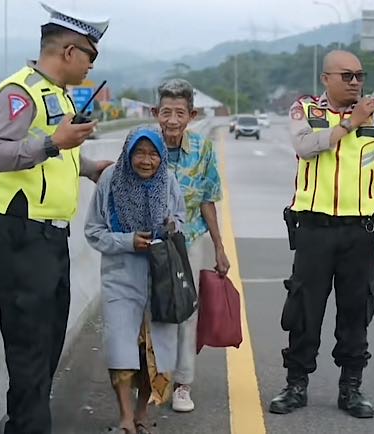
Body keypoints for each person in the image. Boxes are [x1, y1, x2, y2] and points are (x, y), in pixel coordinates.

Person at [0, 4, 112, 433]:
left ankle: (23, 423)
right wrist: (53, 143)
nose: (92, 65)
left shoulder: (57, 95)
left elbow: (56, 156)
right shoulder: (19, 91)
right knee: (29, 345)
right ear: (69, 51)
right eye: (90, 56)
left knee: (48, 341)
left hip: (51, 235)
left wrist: (93, 168)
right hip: (21, 231)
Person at [269, 50, 374, 419]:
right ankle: (296, 384)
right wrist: (347, 125)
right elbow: (305, 147)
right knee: (304, 308)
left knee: (356, 309)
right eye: (346, 76)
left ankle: (351, 387)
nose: (355, 82)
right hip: (314, 229)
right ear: (326, 78)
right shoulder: (306, 110)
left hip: (360, 230)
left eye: (360, 76)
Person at [84, 125, 185, 434]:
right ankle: (125, 418)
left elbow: (181, 220)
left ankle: (142, 413)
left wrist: (170, 227)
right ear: (128, 154)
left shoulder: (168, 181)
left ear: (162, 157)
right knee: (120, 347)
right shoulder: (109, 180)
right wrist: (127, 241)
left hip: (161, 279)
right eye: (139, 153)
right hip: (120, 276)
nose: (146, 161)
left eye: (154, 154)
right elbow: (93, 231)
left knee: (154, 350)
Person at [152, 78, 230, 413]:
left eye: (179, 112)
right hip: (151, 242)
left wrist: (220, 248)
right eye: (165, 112)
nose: (172, 120)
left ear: (192, 114)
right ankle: (157, 378)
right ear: (156, 112)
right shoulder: (144, 145)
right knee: (153, 311)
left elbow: (209, 200)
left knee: (186, 313)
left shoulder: (203, 149)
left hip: (191, 240)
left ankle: (183, 383)